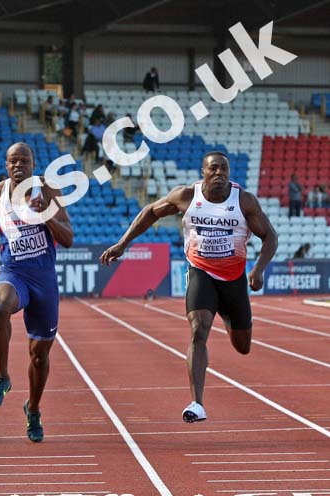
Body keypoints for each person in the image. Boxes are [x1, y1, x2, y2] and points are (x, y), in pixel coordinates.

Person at [100, 151, 278, 423]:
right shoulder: (186, 197)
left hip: (233, 279)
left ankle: (229, 316)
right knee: (199, 330)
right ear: (203, 172)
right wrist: (123, 244)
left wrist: (258, 269)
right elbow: (150, 212)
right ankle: (197, 403)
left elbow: (270, 236)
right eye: (214, 169)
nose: (220, 174)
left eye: (224, 170)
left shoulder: (243, 201)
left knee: (243, 346)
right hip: (201, 272)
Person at [0, 143, 74, 442]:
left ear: (34, 164)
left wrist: (46, 215)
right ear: (6, 165)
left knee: (39, 357)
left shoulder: (47, 192)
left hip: (44, 280)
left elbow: (69, 238)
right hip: (14, 273)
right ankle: (3, 377)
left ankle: (32, 409)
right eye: (13, 161)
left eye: (24, 160)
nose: (18, 165)